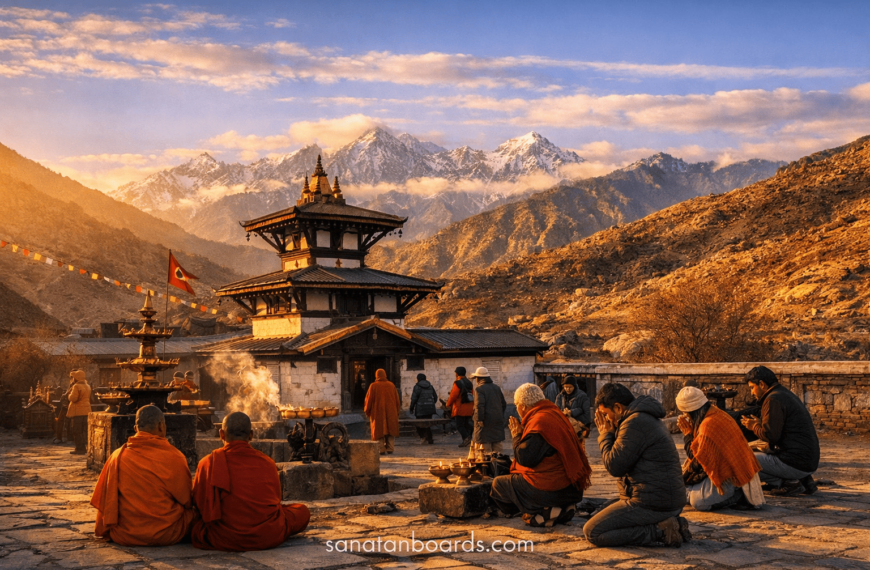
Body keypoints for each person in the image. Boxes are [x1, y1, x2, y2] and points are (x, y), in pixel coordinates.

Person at [584, 383, 690, 548]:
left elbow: (615, 466)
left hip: (654, 503)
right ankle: (668, 523)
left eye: (606, 414)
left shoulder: (634, 422)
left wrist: (605, 435)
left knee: (593, 531)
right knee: (599, 512)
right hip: (663, 499)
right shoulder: (640, 417)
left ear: (618, 407)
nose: (605, 420)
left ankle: (661, 531)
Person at [192, 412, 310, 551]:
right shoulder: (268, 463)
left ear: (221, 434)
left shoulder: (207, 463)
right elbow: (275, 501)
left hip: (224, 536)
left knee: (191, 522)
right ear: (251, 435)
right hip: (267, 535)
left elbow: (199, 504)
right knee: (302, 511)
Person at [90, 405, 197, 546]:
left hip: (125, 533)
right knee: (197, 514)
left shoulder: (116, 456)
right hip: (167, 533)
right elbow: (187, 501)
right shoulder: (175, 457)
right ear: (161, 426)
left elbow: (105, 503)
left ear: (135, 429)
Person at [490, 383, 592, 527]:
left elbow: (526, 459)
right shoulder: (554, 413)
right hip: (571, 489)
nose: (517, 409)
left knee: (498, 485)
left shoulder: (540, 421)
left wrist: (517, 435)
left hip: (552, 488)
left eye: (517, 405)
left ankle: (541, 511)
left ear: (523, 406)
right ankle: (562, 507)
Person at [676, 387, 764, 511]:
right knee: (683, 480)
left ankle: (737, 495)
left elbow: (698, 461)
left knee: (698, 502)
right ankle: (686, 492)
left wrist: (687, 435)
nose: (685, 417)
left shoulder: (708, 425)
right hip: (730, 471)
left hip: (732, 477)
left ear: (691, 412)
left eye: (685, 414)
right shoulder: (713, 413)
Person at [739, 366, 820, 496]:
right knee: (752, 451)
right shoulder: (783, 394)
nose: (752, 393)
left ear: (762, 384)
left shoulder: (772, 399)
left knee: (741, 460)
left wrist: (754, 427)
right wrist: (760, 424)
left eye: (752, 387)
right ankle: (802, 480)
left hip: (795, 462)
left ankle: (788, 482)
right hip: (807, 462)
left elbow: (771, 436)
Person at [468, 366, 506, 460]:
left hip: (484, 423)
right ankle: (498, 468)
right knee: (498, 448)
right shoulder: (497, 388)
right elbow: (503, 404)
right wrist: (499, 415)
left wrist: (479, 419)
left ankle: (488, 469)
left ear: (478, 378)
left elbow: (479, 406)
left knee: (484, 450)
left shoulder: (479, 389)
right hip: (497, 421)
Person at [364, 368, 401, 455]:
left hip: (377, 412)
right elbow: (397, 401)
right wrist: (396, 412)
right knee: (390, 429)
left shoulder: (373, 386)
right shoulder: (391, 385)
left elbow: (368, 400)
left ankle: (381, 449)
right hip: (391, 411)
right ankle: (390, 448)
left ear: (376, 376)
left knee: (379, 430)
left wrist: (367, 410)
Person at [446, 366, 474, 447]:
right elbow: (472, 394)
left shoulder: (457, 383)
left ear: (457, 373)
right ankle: (466, 441)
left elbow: (453, 395)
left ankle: (467, 438)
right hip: (469, 407)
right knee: (466, 424)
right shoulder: (469, 382)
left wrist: (448, 404)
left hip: (460, 407)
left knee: (459, 425)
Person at [67, 369, 92, 455]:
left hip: (78, 411)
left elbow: (73, 399)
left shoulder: (76, 386)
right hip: (86, 410)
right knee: (84, 431)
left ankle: (80, 448)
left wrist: (69, 395)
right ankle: (84, 447)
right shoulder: (87, 386)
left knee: (77, 431)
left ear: (76, 378)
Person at [409, 373, 437, 444]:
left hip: (420, 409)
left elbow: (414, 399)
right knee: (427, 424)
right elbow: (435, 397)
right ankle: (429, 438)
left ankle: (423, 437)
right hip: (430, 409)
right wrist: (431, 403)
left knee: (419, 424)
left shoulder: (417, 387)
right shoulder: (430, 386)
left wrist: (411, 408)